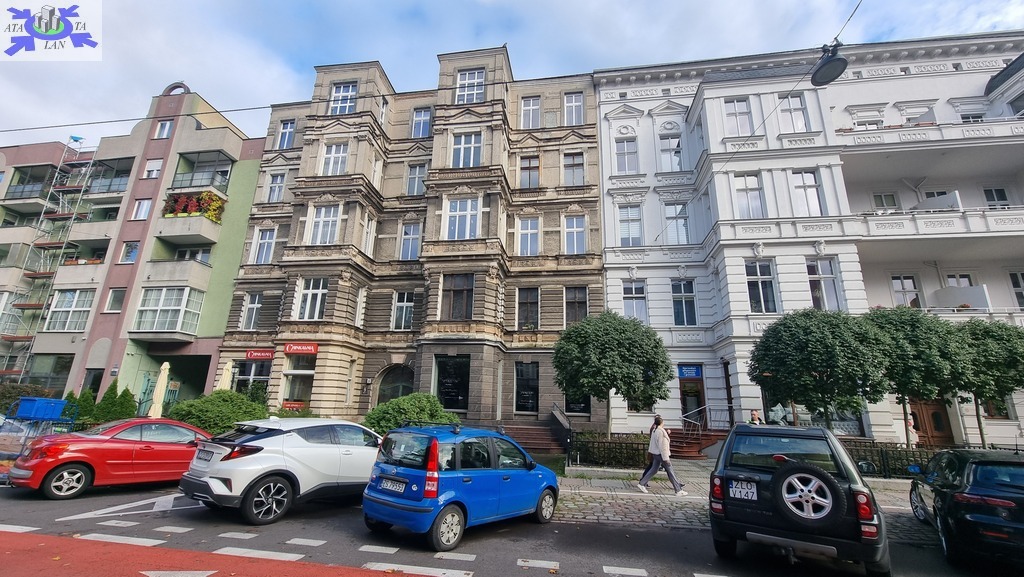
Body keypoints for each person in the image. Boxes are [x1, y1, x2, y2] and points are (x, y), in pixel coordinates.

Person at [637, 416, 687, 496]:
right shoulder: (660, 432)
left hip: (656, 453)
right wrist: (666, 458)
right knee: (670, 471)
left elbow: (654, 443)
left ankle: (642, 483)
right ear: (661, 423)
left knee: (654, 470)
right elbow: (662, 446)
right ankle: (678, 490)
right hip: (661, 454)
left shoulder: (655, 430)